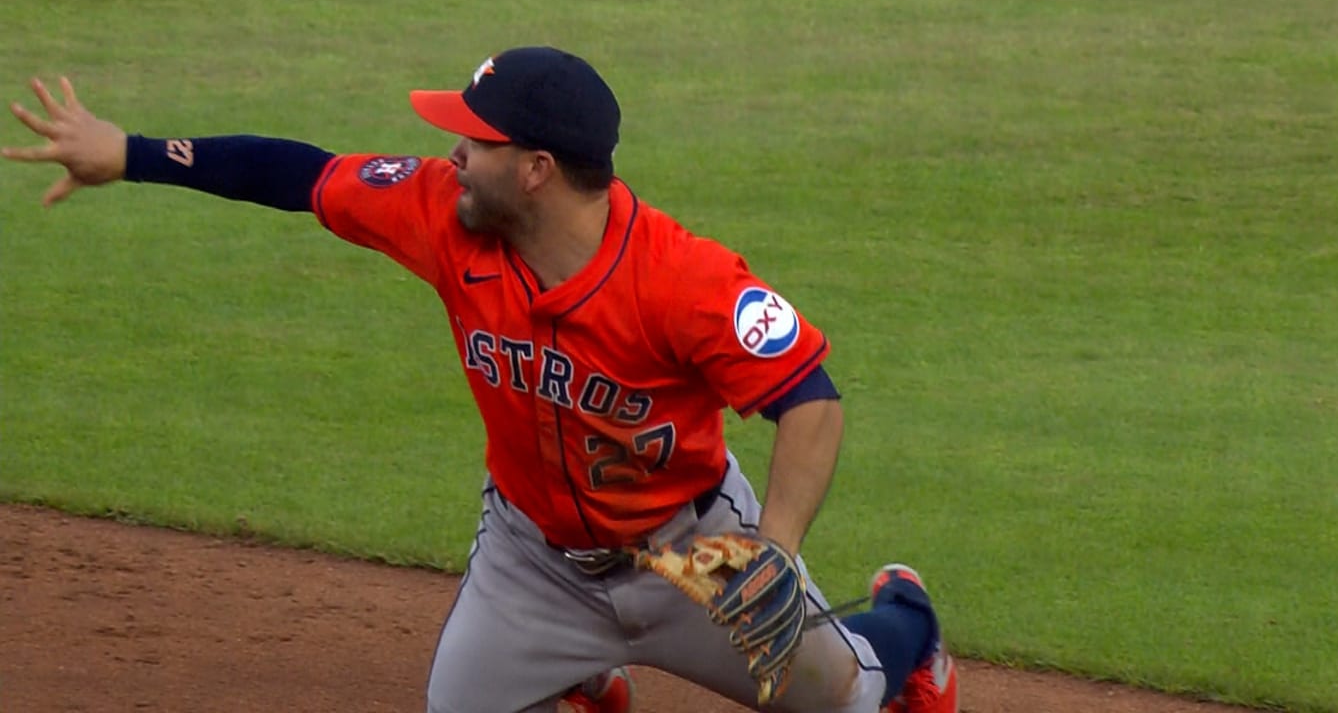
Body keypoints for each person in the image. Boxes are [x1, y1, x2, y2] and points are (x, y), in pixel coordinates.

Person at [5, 47, 959, 713]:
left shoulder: (683, 281)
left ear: (536, 169)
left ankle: (910, 621)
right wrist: (129, 155)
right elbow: (298, 175)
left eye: (475, 139)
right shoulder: (442, 213)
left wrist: (775, 549)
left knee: (847, 699)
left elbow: (809, 398)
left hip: (689, 552)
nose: (452, 153)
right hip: (531, 561)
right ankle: (577, 679)